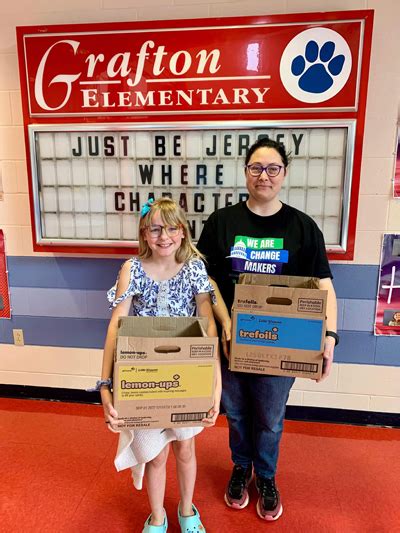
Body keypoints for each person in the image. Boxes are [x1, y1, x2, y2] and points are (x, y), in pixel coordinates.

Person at [197, 137, 338, 522]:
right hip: (232, 342)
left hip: (282, 346)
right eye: (256, 168)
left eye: (272, 168)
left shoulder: (302, 227)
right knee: (238, 413)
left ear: (284, 174)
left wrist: (329, 338)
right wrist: (224, 323)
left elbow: (324, 286)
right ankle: (241, 466)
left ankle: (268, 475)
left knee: (271, 417)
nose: (264, 175)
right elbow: (204, 278)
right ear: (245, 172)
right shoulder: (222, 222)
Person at [98, 198, 222, 533]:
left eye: (171, 227)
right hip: (144, 375)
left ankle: (186, 510)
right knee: (155, 455)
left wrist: (215, 385)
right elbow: (116, 325)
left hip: (186, 374)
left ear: (182, 232)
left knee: (185, 447)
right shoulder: (132, 269)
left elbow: (207, 324)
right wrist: (105, 384)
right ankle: (156, 515)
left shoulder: (195, 267)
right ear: (144, 233)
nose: (163, 235)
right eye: (154, 228)